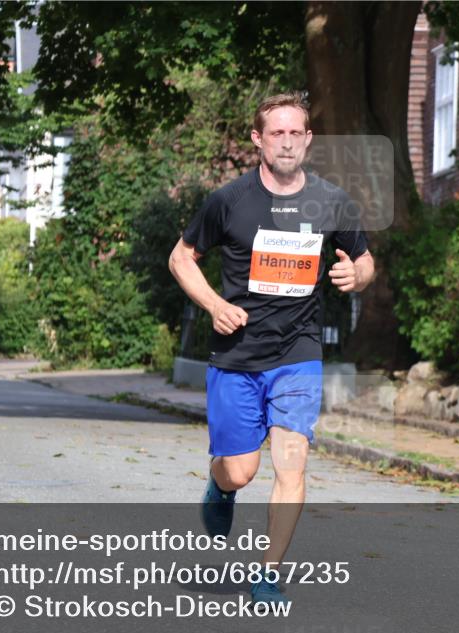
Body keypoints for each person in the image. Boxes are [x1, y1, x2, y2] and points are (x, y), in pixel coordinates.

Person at [169, 91, 375, 606]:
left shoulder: (332, 201)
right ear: (259, 140)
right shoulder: (229, 201)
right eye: (275, 133)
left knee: (292, 463)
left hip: (298, 354)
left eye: (295, 133)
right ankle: (220, 487)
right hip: (236, 355)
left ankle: (268, 573)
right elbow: (181, 258)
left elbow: (365, 260)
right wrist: (215, 305)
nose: (286, 142)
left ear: (308, 139)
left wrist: (357, 274)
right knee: (241, 469)